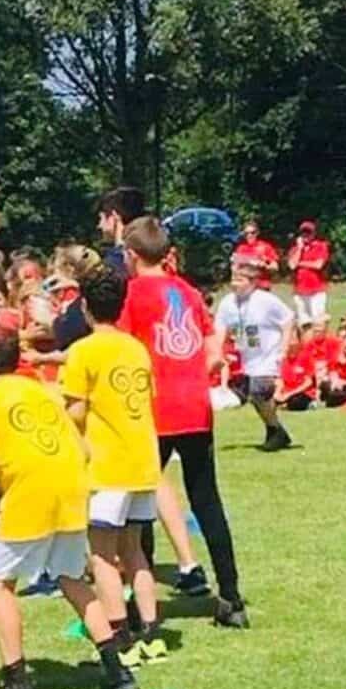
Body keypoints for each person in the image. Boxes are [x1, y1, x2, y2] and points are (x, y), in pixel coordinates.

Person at [0, 322, 137, 689]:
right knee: (71, 578)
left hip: (29, 494)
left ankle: (16, 680)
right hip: (71, 489)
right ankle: (117, 669)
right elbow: (82, 450)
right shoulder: (43, 392)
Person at [117, 216, 248, 628]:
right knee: (207, 500)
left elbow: (120, 348)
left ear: (132, 255)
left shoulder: (132, 294)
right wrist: (200, 368)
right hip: (196, 406)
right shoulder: (188, 292)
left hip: (154, 408)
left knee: (139, 505)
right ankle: (230, 597)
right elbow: (213, 345)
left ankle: (143, 605)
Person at [62, 266, 167, 668]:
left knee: (102, 555)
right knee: (135, 550)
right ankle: (152, 633)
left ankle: (119, 634)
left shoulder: (83, 351)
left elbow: (75, 410)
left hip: (107, 466)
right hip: (143, 462)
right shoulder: (135, 348)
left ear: (86, 307)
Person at [214, 264, 298, 449]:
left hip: (268, 354)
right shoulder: (228, 303)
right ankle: (276, 431)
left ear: (252, 283)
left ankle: (276, 431)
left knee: (258, 391)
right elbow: (220, 328)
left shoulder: (266, 301)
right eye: (233, 279)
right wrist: (217, 353)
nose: (235, 283)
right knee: (256, 397)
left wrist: (284, 347)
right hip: (248, 357)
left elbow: (288, 319)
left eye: (240, 280)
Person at [287, 221, 330, 324]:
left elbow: (318, 265)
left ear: (313, 233)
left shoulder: (320, 246)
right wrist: (300, 249)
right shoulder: (295, 249)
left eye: (308, 232)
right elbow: (292, 265)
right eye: (303, 232)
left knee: (317, 321)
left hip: (316, 290)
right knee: (303, 322)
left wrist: (300, 263)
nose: (306, 235)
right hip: (300, 291)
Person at [274, 335, 317, 412]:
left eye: (293, 339)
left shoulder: (306, 357)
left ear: (299, 341)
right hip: (285, 392)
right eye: (289, 339)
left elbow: (308, 382)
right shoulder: (281, 358)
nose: (291, 342)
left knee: (296, 402)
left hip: (302, 392)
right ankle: (283, 404)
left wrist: (289, 394)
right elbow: (279, 380)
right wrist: (277, 392)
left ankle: (310, 404)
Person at [231, 220, 279, 290]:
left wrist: (265, 266)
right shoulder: (240, 248)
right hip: (245, 287)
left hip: (262, 286)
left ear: (257, 233)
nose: (249, 235)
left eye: (252, 233)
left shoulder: (266, 246)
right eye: (246, 233)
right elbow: (234, 268)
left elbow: (275, 267)